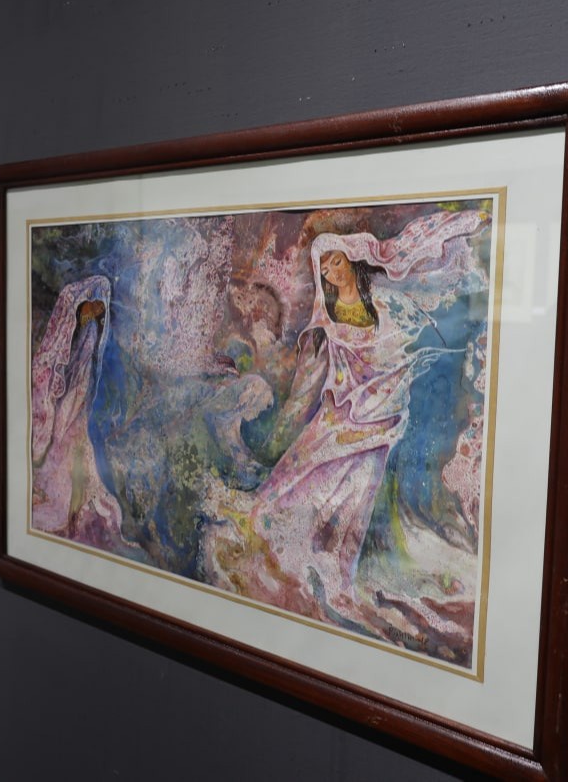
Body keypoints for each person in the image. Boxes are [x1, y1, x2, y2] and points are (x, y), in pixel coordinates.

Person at [202, 207, 488, 642]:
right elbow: (320, 374)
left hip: (380, 424)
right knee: (293, 482)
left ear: (351, 259)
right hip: (339, 419)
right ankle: (281, 539)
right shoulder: (329, 319)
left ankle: (335, 568)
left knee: (354, 504)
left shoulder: (386, 305)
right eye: (324, 268)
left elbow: (406, 344)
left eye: (335, 262)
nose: (331, 273)